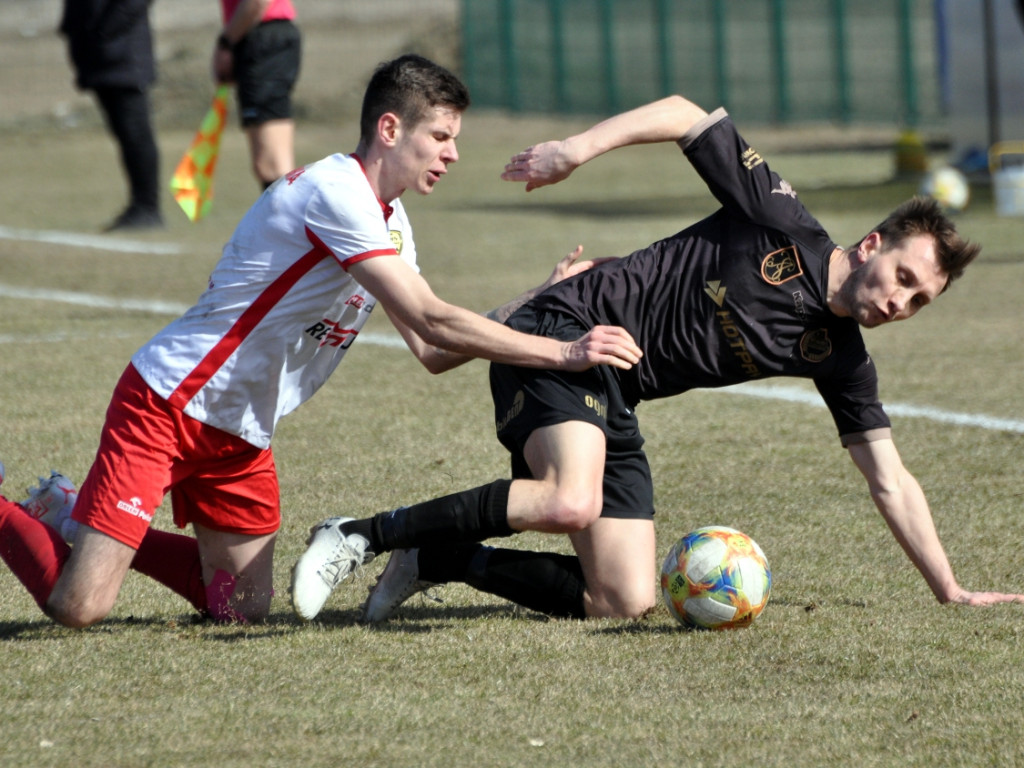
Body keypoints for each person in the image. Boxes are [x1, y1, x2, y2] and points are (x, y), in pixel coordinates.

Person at [290, 94, 1024, 624]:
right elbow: (685, 114)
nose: (900, 302)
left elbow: (890, 479)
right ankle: (360, 534)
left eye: (918, 300)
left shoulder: (841, 359)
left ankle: (440, 557)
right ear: (872, 246)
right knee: (569, 498)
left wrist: (950, 589)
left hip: (615, 394)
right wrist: (573, 151)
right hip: (562, 332)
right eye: (903, 277)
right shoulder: (782, 222)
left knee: (624, 601)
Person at [0, 55, 641, 629]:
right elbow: (433, 318)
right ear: (391, 129)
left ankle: (70, 513)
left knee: (240, 608)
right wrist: (564, 351)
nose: (451, 154)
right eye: (440, 137)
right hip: (170, 402)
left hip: (243, 430)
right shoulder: (335, 192)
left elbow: (435, 352)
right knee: (78, 606)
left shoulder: (392, 223)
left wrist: (536, 297)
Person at [60, 0, 163, 231]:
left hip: (124, 55)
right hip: (97, 55)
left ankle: (147, 207)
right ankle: (139, 205)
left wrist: (103, 32)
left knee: (135, 134)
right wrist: (72, 29)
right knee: (124, 135)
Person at [212, 0, 301, 189]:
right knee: (266, 164)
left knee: (272, 163)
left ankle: (287, 218)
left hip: (263, 40)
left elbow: (257, 2)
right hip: (258, 38)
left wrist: (226, 43)